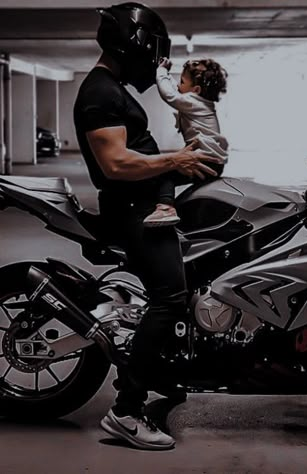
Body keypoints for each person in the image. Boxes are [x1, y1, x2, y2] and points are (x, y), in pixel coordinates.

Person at [73, 2, 223, 450]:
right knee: (170, 299)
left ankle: (161, 372)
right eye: (154, 52)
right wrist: (175, 160)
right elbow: (116, 163)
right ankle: (126, 410)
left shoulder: (112, 88)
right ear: (134, 44)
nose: (158, 62)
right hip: (133, 210)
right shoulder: (100, 92)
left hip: (143, 201)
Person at [143, 57, 229, 227]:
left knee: (163, 174)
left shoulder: (193, 102)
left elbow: (169, 95)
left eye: (182, 81)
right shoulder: (202, 103)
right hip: (212, 161)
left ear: (196, 90)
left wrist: (162, 72)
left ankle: (166, 209)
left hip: (205, 160)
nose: (177, 85)